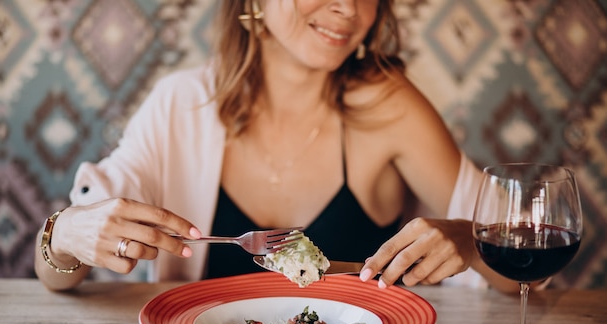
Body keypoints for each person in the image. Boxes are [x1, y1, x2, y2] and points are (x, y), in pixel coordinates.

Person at [34, 0, 519, 293]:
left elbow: (526, 265)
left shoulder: (390, 105)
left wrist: (470, 240)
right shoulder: (179, 106)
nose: (349, 10)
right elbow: (59, 272)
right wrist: (66, 235)